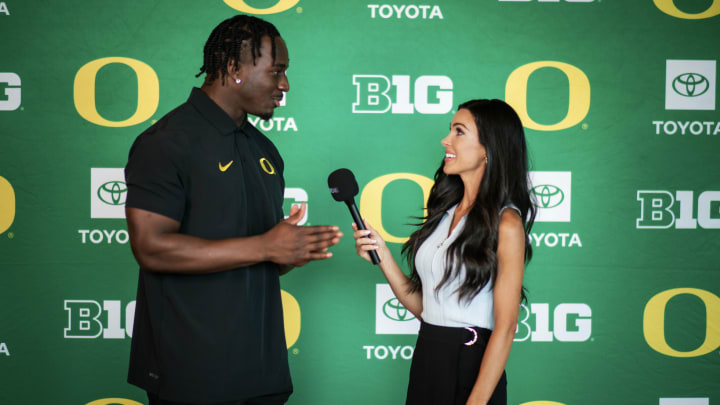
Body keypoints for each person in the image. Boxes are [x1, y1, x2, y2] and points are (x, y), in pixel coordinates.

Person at [124, 15, 342, 405]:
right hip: (191, 374)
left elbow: (261, 256)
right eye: (276, 71)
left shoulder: (264, 150)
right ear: (233, 69)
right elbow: (151, 247)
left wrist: (288, 252)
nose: (285, 85)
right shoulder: (166, 143)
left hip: (262, 372)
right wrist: (264, 247)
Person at [353, 99, 535, 405]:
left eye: (459, 131)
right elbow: (427, 310)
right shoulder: (444, 212)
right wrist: (382, 255)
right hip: (428, 356)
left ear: (488, 149)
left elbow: (505, 327)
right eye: (451, 130)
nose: (445, 140)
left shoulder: (507, 224)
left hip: (471, 365)